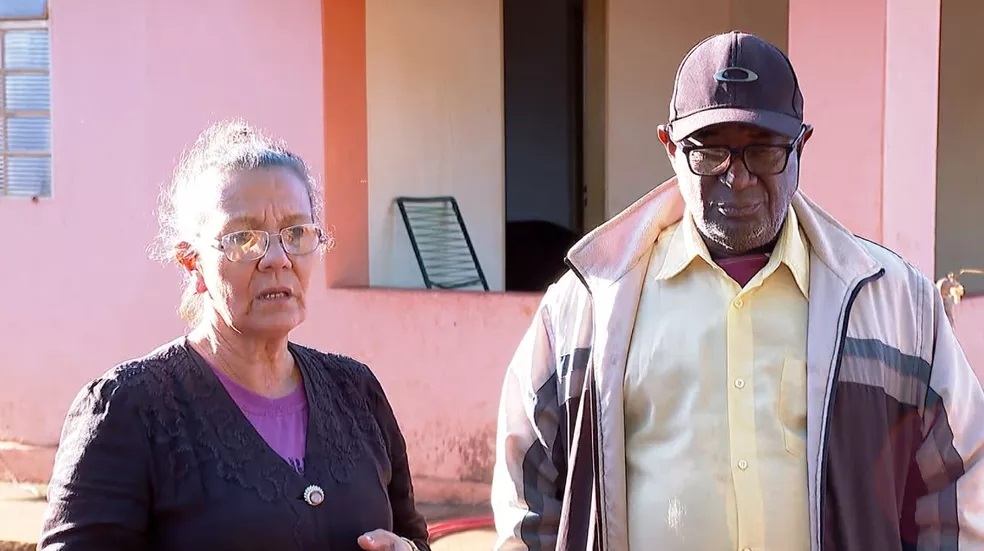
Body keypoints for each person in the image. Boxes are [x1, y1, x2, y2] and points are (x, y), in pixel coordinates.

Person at [491, 31, 984, 550]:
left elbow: (961, 480)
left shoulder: (897, 306)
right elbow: (528, 494)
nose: (739, 178)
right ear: (671, 147)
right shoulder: (587, 309)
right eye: (710, 152)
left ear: (801, 146)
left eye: (764, 151)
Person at [39, 120, 430, 551]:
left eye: (296, 234)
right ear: (192, 262)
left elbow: (412, 535)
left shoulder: (356, 393)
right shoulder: (129, 411)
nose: (277, 259)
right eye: (244, 238)